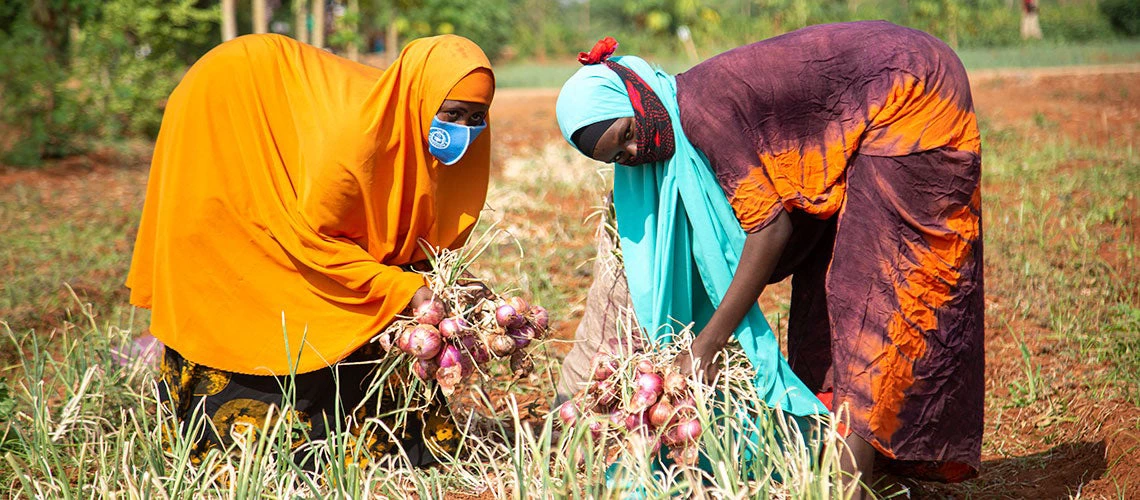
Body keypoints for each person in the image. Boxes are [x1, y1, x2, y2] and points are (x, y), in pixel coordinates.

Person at [554, 20, 983, 492]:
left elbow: (770, 230)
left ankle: (846, 487)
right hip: (873, 108)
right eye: (618, 157)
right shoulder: (677, 113)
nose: (636, 152)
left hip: (911, 95)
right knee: (825, 298)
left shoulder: (703, 114)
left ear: (636, 96)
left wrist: (708, 344)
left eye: (628, 133)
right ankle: (848, 463)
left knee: (870, 298)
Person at [126, 33, 495, 467]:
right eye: (453, 114)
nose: (464, 131)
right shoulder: (352, 146)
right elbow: (312, 244)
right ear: (420, 98)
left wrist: (448, 284)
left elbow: (410, 242)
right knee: (246, 259)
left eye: (477, 117)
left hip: (275, 107)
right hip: (225, 103)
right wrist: (405, 290)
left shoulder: (423, 132)